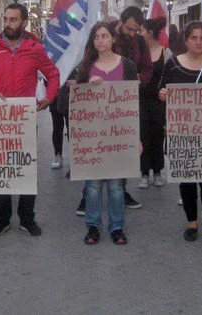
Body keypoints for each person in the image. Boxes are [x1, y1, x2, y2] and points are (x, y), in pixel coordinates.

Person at [0, 3, 59, 237]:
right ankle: (2, 219)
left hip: (24, 119)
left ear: (23, 22)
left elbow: (53, 73)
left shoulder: (35, 48)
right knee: (2, 169)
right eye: (6, 19)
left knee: (26, 169)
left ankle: (27, 218)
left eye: (13, 20)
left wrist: (49, 97)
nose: (8, 24)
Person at [158, 21, 202, 251]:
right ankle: (191, 222)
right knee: (186, 181)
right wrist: (164, 94)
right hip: (182, 133)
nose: (198, 42)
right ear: (186, 40)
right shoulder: (173, 65)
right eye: (194, 38)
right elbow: (160, 91)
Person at [78, 21, 138, 245]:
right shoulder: (85, 67)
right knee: (92, 186)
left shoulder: (128, 65)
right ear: (92, 41)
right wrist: (86, 88)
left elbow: (134, 104)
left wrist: (136, 137)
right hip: (93, 134)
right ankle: (93, 226)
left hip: (119, 134)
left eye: (104, 36)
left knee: (115, 185)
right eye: (96, 37)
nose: (100, 40)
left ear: (113, 39)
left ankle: (117, 227)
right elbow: (76, 103)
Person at [101, 6, 152, 209]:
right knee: (97, 147)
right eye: (129, 29)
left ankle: (121, 191)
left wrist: (141, 79)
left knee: (122, 149)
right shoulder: (103, 34)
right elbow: (88, 61)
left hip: (126, 104)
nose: (132, 34)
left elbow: (147, 67)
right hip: (101, 103)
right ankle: (88, 195)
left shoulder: (139, 41)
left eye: (136, 30)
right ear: (120, 22)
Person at [137, 17, 171, 188]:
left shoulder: (165, 53)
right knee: (143, 136)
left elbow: (171, 76)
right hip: (140, 100)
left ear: (149, 32)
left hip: (159, 101)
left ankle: (157, 171)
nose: (139, 33)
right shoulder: (137, 53)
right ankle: (144, 172)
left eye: (141, 30)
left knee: (157, 135)